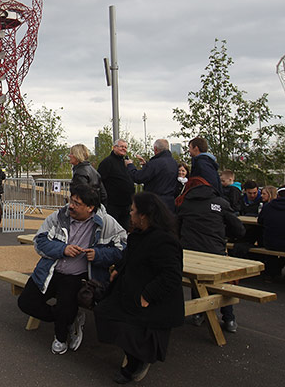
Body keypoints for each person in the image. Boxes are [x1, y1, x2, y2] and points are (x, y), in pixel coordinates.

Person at [17, 183, 126, 355]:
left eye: (76, 203)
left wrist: (98, 255)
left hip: (77, 276)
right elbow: (40, 242)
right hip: (49, 271)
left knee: (65, 304)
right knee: (25, 303)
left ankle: (60, 339)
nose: (71, 206)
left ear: (90, 208)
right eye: (70, 200)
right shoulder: (58, 217)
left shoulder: (106, 223)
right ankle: (67, 318)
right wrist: (62, 249)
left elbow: (123, 249)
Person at [94, 192, 184, 384]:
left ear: (143, 215)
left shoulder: (164, 240)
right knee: (103, 311)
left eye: (133, 210)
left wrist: (148, 295)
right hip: (132, 290)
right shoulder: (140, 234)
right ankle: (136, 354)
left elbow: (172, 276)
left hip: (154, 299)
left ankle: (138, 361)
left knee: (129, 325)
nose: (130, 213)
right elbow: (130, 256)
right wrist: (118, 270)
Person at [175, 176, 244, 332]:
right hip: (216, 252)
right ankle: (229, 318)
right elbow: (239, 229)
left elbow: (176, 229)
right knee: (222, 282)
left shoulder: (184, 205)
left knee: (196, 278)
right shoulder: (221, 203)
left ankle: (198, 314)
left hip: (189, 253)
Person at [125, 139, 179, 212]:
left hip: (155, 203)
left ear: (155, 149)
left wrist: (130, 165)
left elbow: (138, 177)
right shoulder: (173, 163)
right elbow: (160, 175)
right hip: (170, 203)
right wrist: (146, 165)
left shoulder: (155, 163)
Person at [98, 139, 134, 229]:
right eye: (121, 146)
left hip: (126, 205)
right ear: (114, 147)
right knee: (112, 229)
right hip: (112, 205)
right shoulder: (107, 162)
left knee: (124, 230)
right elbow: (99, 181)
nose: (124, 149)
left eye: (125, 147)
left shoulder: (125, 163)